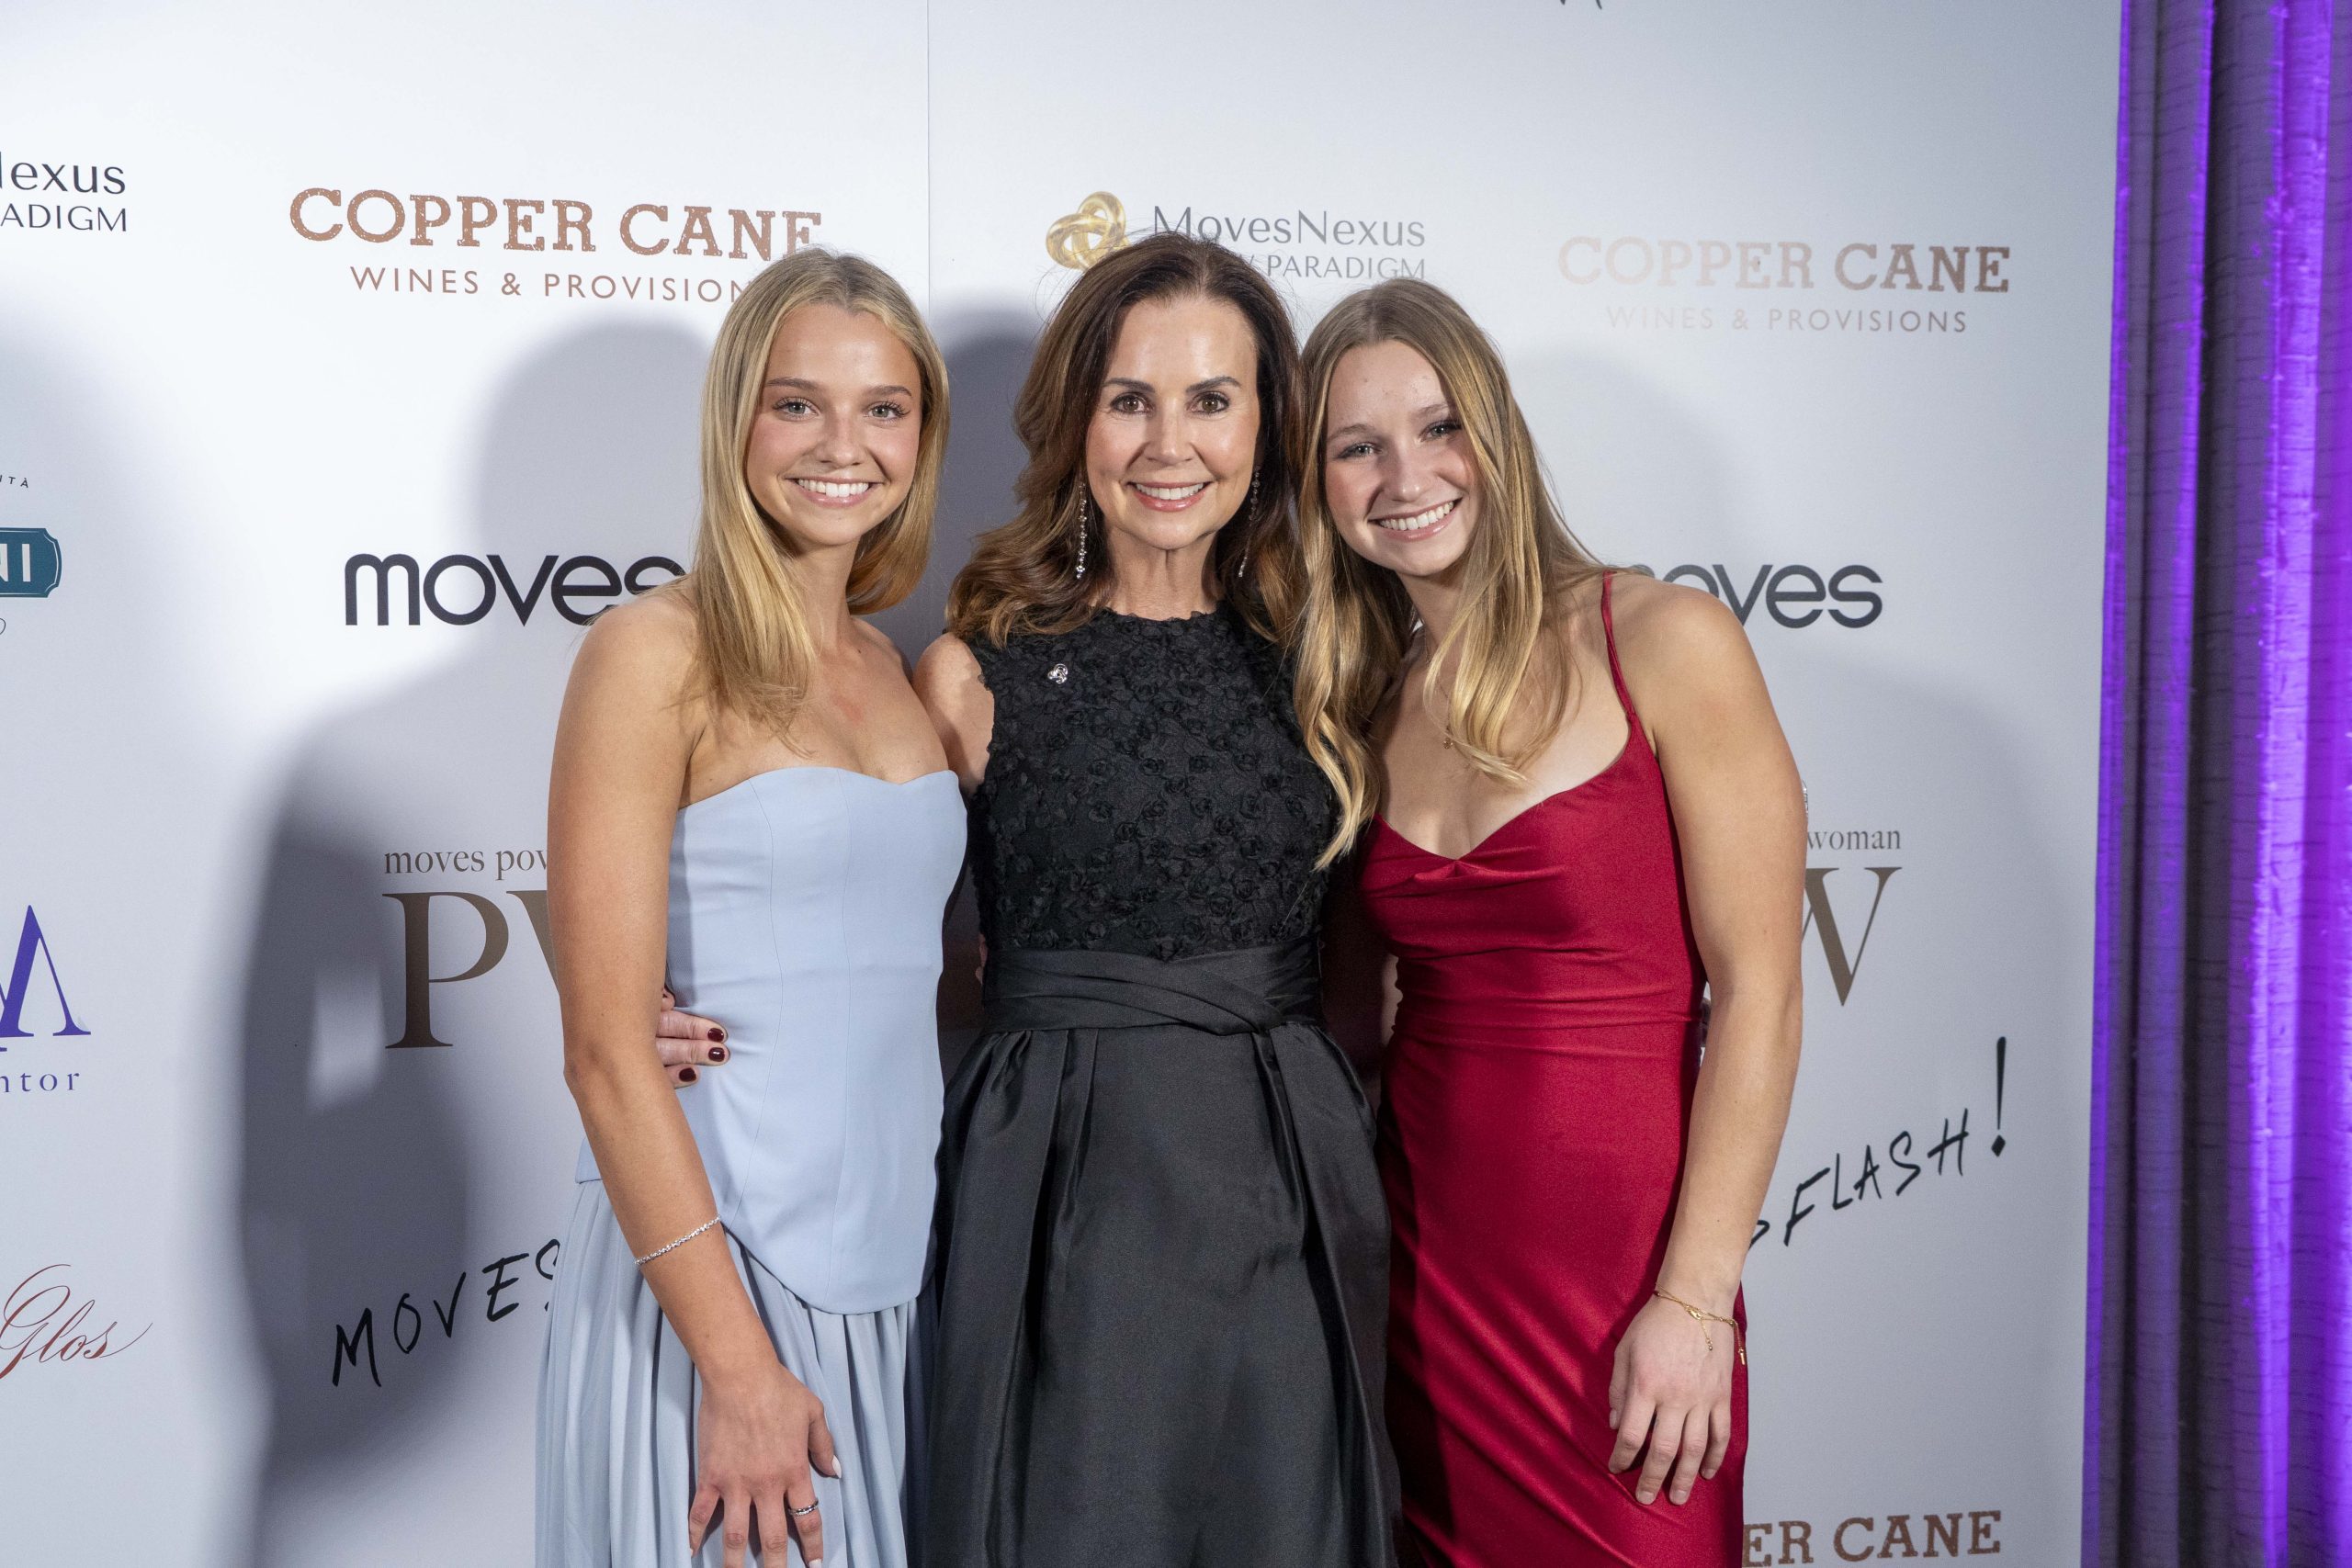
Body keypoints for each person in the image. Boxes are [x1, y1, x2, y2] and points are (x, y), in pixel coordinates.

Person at [1290, 278, 1804, 1567]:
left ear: (1498, 436)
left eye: (1438, 428)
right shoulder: (1362, 706)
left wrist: (1696, 1299)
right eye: (1357, 447)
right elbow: (1349, 1021)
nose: (1404, 476)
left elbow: (1761, 992)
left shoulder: (1664, 639)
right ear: (1321, 484)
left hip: (1628, 1288)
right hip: (1426, 1275)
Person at [910, 231, 1394, 1568]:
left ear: (1266, 425)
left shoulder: (1336, 666)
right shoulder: (972, 673)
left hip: (1289, 1177)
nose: (1169, 445)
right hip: (1058, 1184)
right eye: (1130, 399)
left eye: (1211, 400)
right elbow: (868, 926)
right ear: (1076, 419)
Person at [536, 249, 961, 1568]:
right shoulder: (652, 652)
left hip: (897, 1272)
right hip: (714, 1282)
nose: (844, 446)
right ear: (737, 421)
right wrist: (736, 1368)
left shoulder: (900, 669)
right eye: (798, 404)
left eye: (884, 408)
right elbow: (608, 1053)